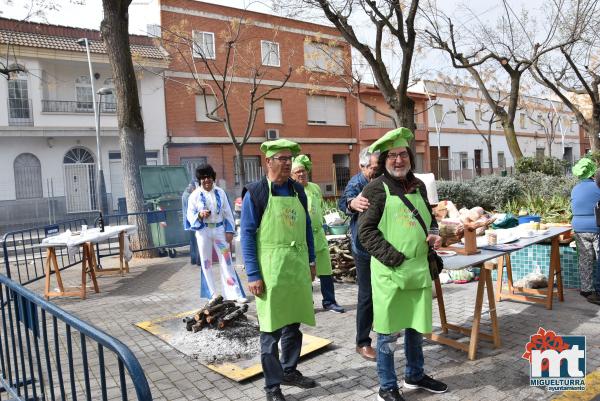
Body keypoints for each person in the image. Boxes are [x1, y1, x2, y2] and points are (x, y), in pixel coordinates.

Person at [358, 127, 448, 401]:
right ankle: (387, 386)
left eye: (403, 155)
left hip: (418, 269)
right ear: (385, 161)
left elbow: (429, 218)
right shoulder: (375, 189)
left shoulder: (419, 186)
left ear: (410, 158)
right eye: (393, 156)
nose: (399, 160)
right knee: (387, 334)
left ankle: (415, 374)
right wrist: (394, 258)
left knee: (415, 326)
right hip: (390, 274)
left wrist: (435, 233)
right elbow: (366, 232)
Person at [241, 139, 317, 401]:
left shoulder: (298, 190)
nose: (287, 163)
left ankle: (289, 370)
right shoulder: (256, 193)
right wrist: (253, 274)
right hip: (270, 268)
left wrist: (311, 261)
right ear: (268, 161)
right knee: (270, 331)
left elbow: (306, 225)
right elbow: (247, 236)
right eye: (282, 158)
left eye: (289, 159)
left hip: (295, 265)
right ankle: (272, 387)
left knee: (293, 324)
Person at [338, 147, 379, 361]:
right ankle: (362, 342)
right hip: (362, 248)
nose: (376, 170)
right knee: (366, 295)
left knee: (383, 290)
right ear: (362, 166)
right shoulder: (357, 183)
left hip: (381, 246)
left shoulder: (380, 180)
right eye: (373, 167)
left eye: (377, 167)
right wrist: (352, 203)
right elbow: (343, 202)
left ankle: (382, 325)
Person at [291, 154, 345, 313]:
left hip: (319, 235)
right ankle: (306, 304)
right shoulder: (292, 190)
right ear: (292, 175)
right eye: (297, 172)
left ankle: (329, 301)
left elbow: (319, 208)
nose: (301, 174)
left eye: (303, 171)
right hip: (302, 237)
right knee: (305, 272)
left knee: (326, 270)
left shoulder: (314, 188)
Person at [186, 164, 247, 303]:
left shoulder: (220, 192)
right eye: (203, 178)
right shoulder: (194, 196)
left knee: (226, 261)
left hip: (219, 230)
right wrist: (199, 215)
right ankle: (212, 294)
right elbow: (190, 215)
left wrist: (230, 230)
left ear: (213, 178)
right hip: (203, 231)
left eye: (209, 177)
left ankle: (234, 293)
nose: (206, 180)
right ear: (199, 180)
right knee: (206, 262)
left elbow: (228, 213)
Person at [570, 157, 600, 305]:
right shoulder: (597, 186)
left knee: (585, 260)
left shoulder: (575, 189)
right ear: (592, 172)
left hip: (579, 228)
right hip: (596, 227)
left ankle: (586, 289)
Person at [182, 179, 201, 266]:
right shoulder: (188, 195)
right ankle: (197, 260)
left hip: (189, 221)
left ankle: (194, 259)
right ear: (192, 187)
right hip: (191, 221)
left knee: (193, 241)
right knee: (195, 241)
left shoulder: (186, 194)